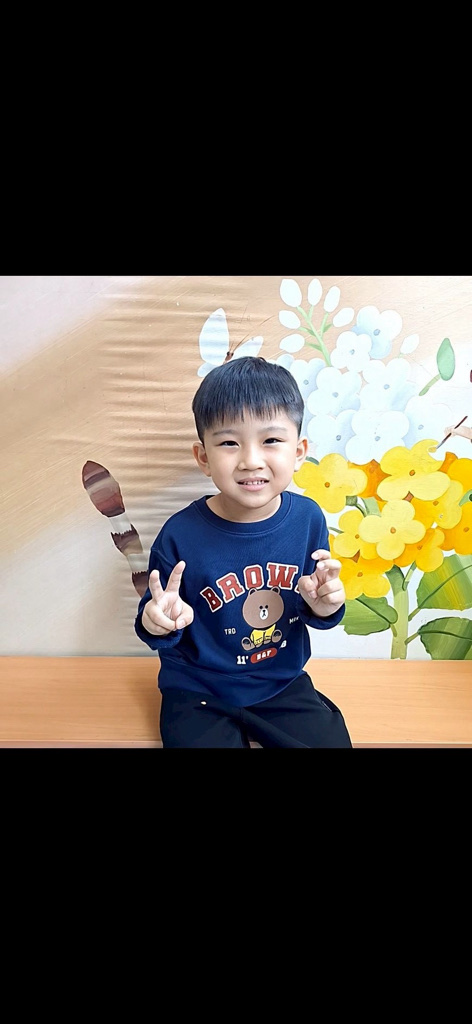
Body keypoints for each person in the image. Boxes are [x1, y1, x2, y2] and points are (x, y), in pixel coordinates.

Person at [134, 356, 352, 748]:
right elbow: (153, 626)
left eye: (271, 440)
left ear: (299, 451)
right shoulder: (179, 534)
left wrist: (324, 605)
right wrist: (158, 621)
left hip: (280, 682)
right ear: (203, 457)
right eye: (229, 443)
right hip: (196, 688)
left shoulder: (308, 520)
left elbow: (313, 607)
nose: (251, 460)